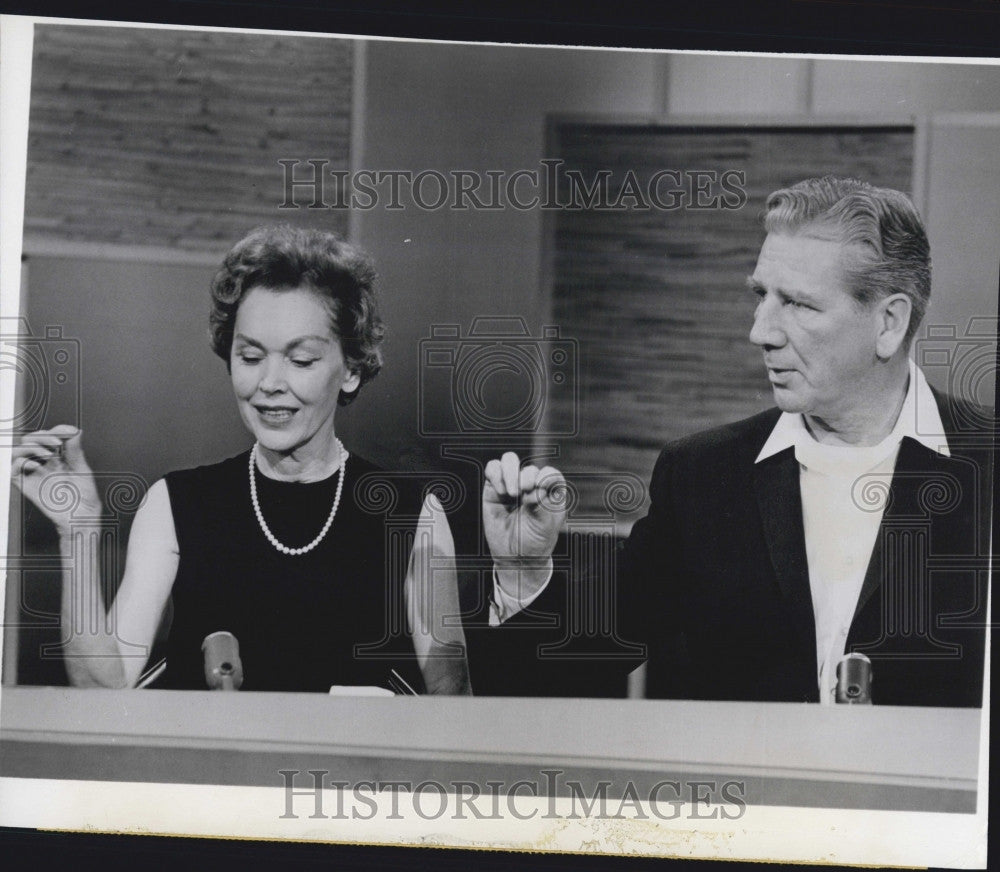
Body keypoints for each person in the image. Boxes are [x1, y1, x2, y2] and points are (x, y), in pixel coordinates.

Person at [479, 176, 991, 706]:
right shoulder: (702, 475)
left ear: (889, 322)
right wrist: (523, 573)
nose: (761, 331)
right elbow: (551, 678)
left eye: (797, 304)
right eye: (761, 295)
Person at [11, 226, 558, 695]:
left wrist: (516, 573)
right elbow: (104, 689)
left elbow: (450, 697)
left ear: (350, 369)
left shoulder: (411, 514)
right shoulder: (176, 503)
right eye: (250, 356)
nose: (270, 384)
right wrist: (77, 534)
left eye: (300, 359)